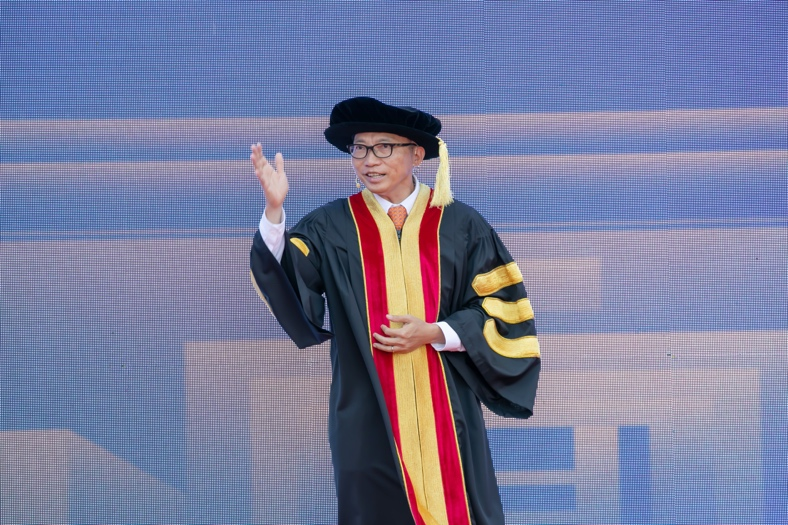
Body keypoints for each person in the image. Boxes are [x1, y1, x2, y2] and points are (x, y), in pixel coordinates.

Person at [249, 97, 540, 525]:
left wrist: (436, 332)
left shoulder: (461, 225)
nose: (369, 160)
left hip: (448, 410)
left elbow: (502, 309)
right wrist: (275, 212)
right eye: (359, 148)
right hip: (367, 412)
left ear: (417, 154)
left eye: (383, 147)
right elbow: (288, 283)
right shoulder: (332, 225)